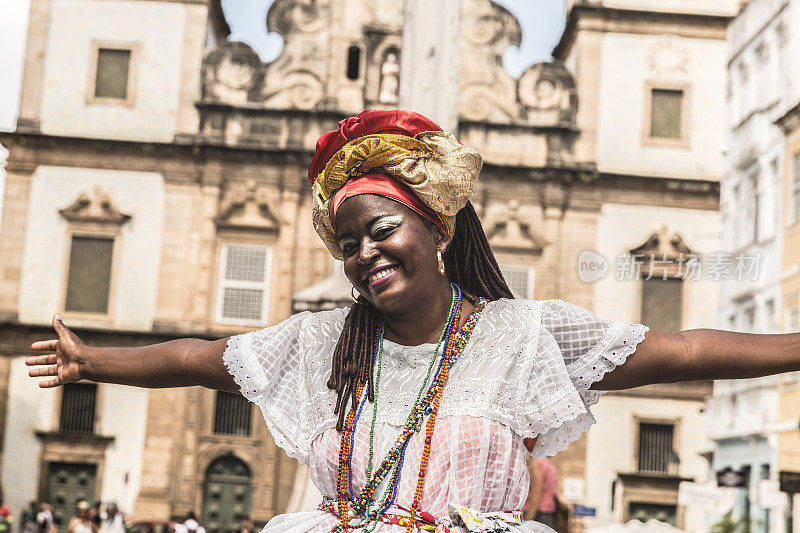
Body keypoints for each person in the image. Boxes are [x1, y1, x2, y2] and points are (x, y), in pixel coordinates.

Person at [25, 110, 800, 533]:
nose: (366, 251)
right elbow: (200, 357)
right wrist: (93, 361)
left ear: (439, 229)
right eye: (350, 241)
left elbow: (684, 346)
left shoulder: (523, 335)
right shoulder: (320, 341)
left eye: (384, 229)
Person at [522, 458, 558, 528]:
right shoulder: (550, 464)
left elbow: (535, 500)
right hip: (548, 515)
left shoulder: (537, 465)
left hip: (537, 515)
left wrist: (525, 524)